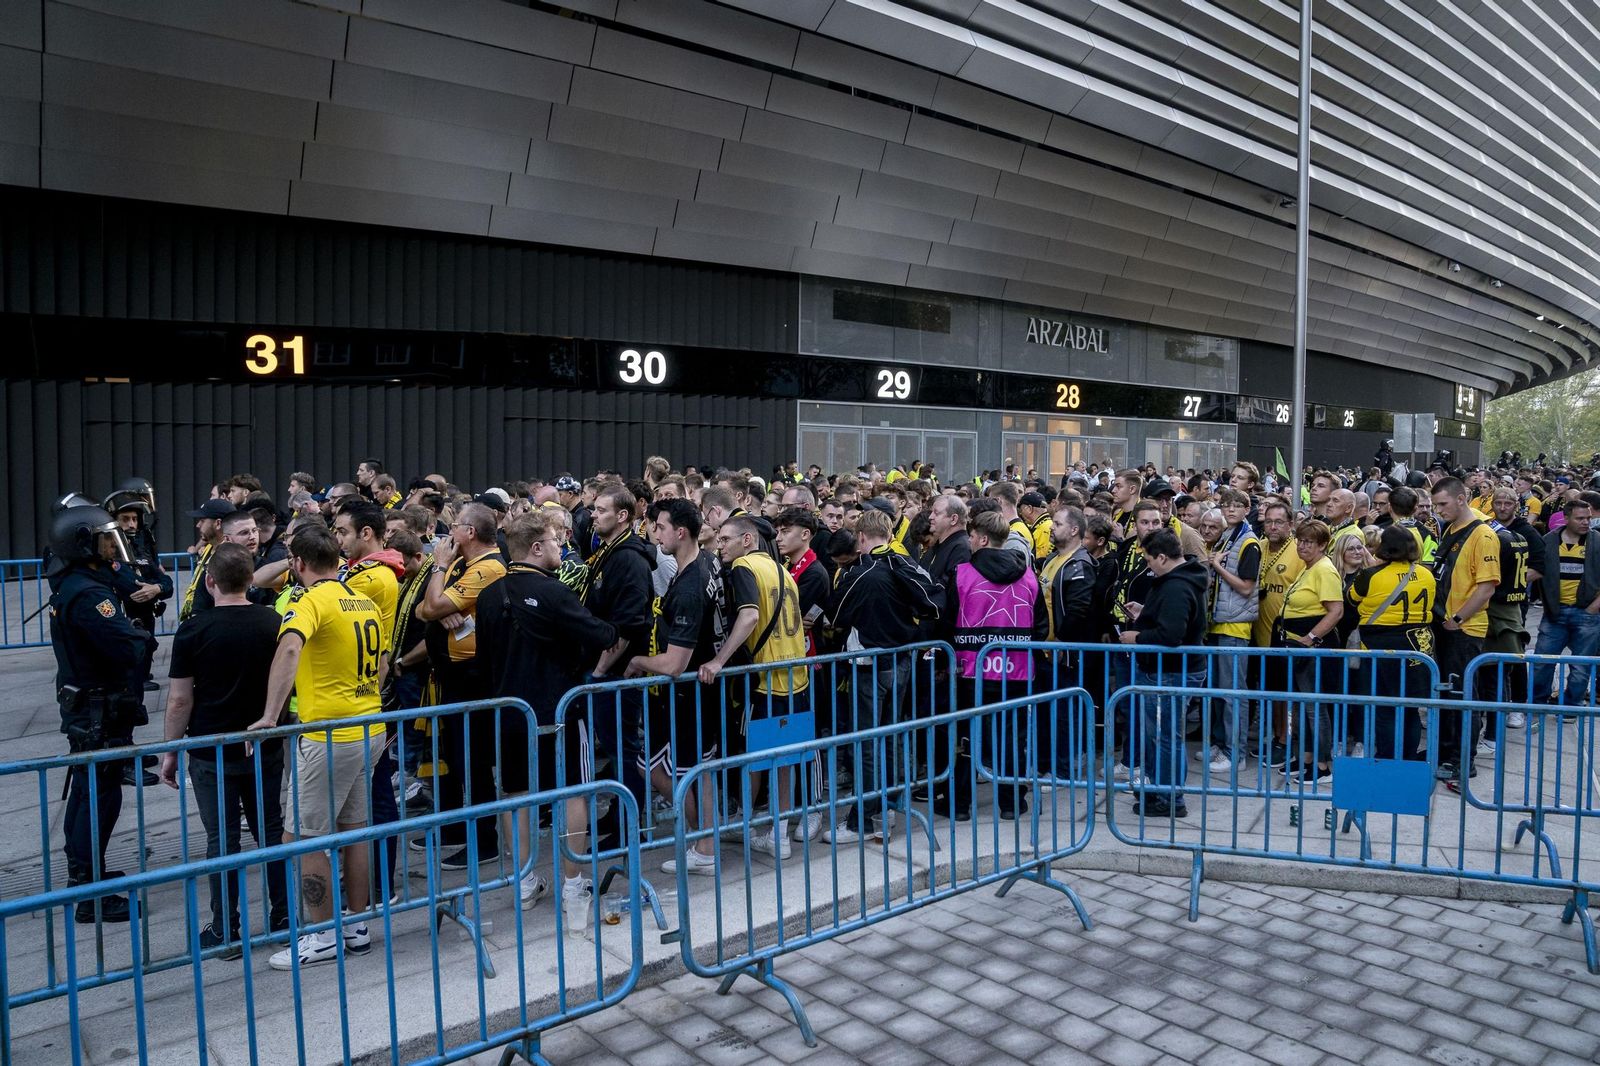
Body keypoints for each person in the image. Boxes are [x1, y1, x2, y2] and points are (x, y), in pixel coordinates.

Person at [247, 523, 385, 970]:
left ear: (299, 564)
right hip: (370, 726)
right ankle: (357, 926)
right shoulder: (360, 599)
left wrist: (269, 714)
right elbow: (381, 662)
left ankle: (323, 935)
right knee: (355, 829)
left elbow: (288, 650)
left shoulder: (310, 602)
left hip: (329, 735)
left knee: (301, 837)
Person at [476, 509, 618, 921]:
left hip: (509, 711)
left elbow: (483, 659)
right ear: (536, 548)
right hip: (560, 709)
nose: (563, 546)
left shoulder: (488, 595)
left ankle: (523, 882)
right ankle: (573, 885)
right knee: (574, 790)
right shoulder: (556, 592)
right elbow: (602, 634)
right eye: (557, 540)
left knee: (517, 795)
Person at [161, 543, 288, 954]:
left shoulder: (193, 630)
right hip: (263, 744)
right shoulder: (273, 622)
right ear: (252, 580)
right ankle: (283, 915)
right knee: (270, 831)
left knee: (222, 841)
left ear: (210, 581)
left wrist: (169, 751)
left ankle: (226, 929)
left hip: (211, 750)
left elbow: (180, 700)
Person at [48, 505, 157, 923]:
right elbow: (127, 645)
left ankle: (87, 876)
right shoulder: (89, 594)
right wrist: (142, 636)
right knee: (99, 797)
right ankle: (90, 892)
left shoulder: (80, 582)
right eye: (104, 538)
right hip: (100, 710)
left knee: (87, 791)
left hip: (91, 706)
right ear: (81, 544)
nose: (114, 544)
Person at [822, 509, 942, 842]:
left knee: (867, 744)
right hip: (901, 661)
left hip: (870, 665)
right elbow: (932, 601)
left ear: (861, 537)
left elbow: (836, 612)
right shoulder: (902, 562)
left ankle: (863, 821)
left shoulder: (863, 572)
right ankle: (887, 810)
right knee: (889, 738)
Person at [698, 514, 814, 856]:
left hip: (767, 681)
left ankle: (748, 826)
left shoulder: (745, 568)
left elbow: (748, 616)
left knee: (755, 758)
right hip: (797, 677)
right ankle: (778, 834)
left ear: (747, 540)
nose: (721, 547)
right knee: (784, 759)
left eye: (726, 540)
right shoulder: (782, 571)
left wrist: (719, 661)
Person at [626, 498, 721, 874]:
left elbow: (674, 663)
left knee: (675, 769)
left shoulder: (689, 585)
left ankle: (703, 843)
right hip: (699, 689)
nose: (654, 533)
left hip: (687, 693)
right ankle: (707, 845)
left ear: (680, 532)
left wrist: (636, 662)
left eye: (661, 527)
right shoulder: (707, 561)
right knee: (703, 770)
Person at [414, 502, 506, 866]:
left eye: (454, 526)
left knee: (474, 759)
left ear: (469, 532)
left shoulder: (487, 567)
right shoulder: (460, 563)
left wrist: (438, 575)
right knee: (454, 756)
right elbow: (426, 608)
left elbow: (434, 604)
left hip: (473, 677)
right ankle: (456, 826)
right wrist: (442, 608)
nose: (448, 533)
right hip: (451, 674)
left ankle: (486, 840)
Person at [949, 510, 1045, 820]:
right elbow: (1041, 624)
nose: (969, 541)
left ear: (982, 538)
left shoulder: (961, 574)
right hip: (1018, 669)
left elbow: (946, 621)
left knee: (965, 735)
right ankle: (1012, 803)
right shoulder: (1029, 575)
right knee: (1013, 736)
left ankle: (960, 805)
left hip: (972, 669)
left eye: (972, 536)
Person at [1119, 529, 1208, 818]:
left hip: (1169, 672)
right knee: (1162, 735)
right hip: (1166, 670)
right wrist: (1145, 612)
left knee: (1166, 736)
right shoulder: (1175, 581)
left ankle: (1169, 797)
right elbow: (1172, 619)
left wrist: (1136, 637)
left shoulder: (1177, 586)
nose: (1147, 566)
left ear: (1162, 557)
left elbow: (1171, 634)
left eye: (1148, 560)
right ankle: (1160, 790)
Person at [1346, 526, 1436, 761]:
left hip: (1381, 647)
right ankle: (1407, 758)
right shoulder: (1426, 574)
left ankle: (1387, 758)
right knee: (1410, 709)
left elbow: (1352, 598)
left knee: (1385, 709)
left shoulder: (1371, 575)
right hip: (1418, 647)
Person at [1430, 477, 1500, 783]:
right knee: (1448, 694)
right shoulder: (1451, 529)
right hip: (1446, 626)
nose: (1438, 510)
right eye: (1435, 505)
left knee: (1462, 696)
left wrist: (1456, 619)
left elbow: (1486, 588)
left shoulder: (1483, 535)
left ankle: (1462, 760)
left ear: (1462, 499)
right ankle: (1447, 754)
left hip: (1465, 629)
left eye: (1443, 504)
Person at [1276, 520, 1345, 783]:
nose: (1302, 546)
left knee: (1315, 708)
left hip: (1314, 648)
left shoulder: (1324, 570)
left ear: (1322, 545)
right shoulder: (1310, 568)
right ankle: (1305, 757)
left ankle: (1322, 763)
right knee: (1302, 705)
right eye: (1300, 540)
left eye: (1309, 542)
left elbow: (1336, 611)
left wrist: (1310, 638)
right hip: (1298, 646)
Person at [1202, 487, 1260, 775]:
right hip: (1218, 619)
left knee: (1233, 692)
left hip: (1235, 624)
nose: (1231, 510)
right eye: (1227, 505)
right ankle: (1220, 743)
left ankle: (1234, 752)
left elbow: (1247, 587)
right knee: (1219, 691)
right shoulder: (1228, 536)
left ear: (1246, 509)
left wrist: (1216, 566)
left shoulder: (1249, 542)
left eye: (1237, 506)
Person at [1532, 498, 1600, 711]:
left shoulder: (1597, 541)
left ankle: (1572, 705)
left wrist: (1594, 607)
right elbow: (1538, 571)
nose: (1586, 522)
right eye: (1580, 518)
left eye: (1588, 518)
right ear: (1566, 518)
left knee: (1581, 668)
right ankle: (1538, 704)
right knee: (1542, 663)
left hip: (1587, 613)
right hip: (1555, 612)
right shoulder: (1548, 541)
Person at [1253, 501, 1305, 770]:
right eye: (1268, 522)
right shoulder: (1258, 547)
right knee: (1272, 691)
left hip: (1287, 634)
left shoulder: (1298, 551)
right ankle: (1276, 736)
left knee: (1286, 693)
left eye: (1279, 522)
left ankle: (1285, 741)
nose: (1273, 527)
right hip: (1260, 633)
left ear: (1290, 525)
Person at [180, 498, 235, 621]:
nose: (198, 525)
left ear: (218, 523)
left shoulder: (230, 557)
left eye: (202, 520)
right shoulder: (209, 548)